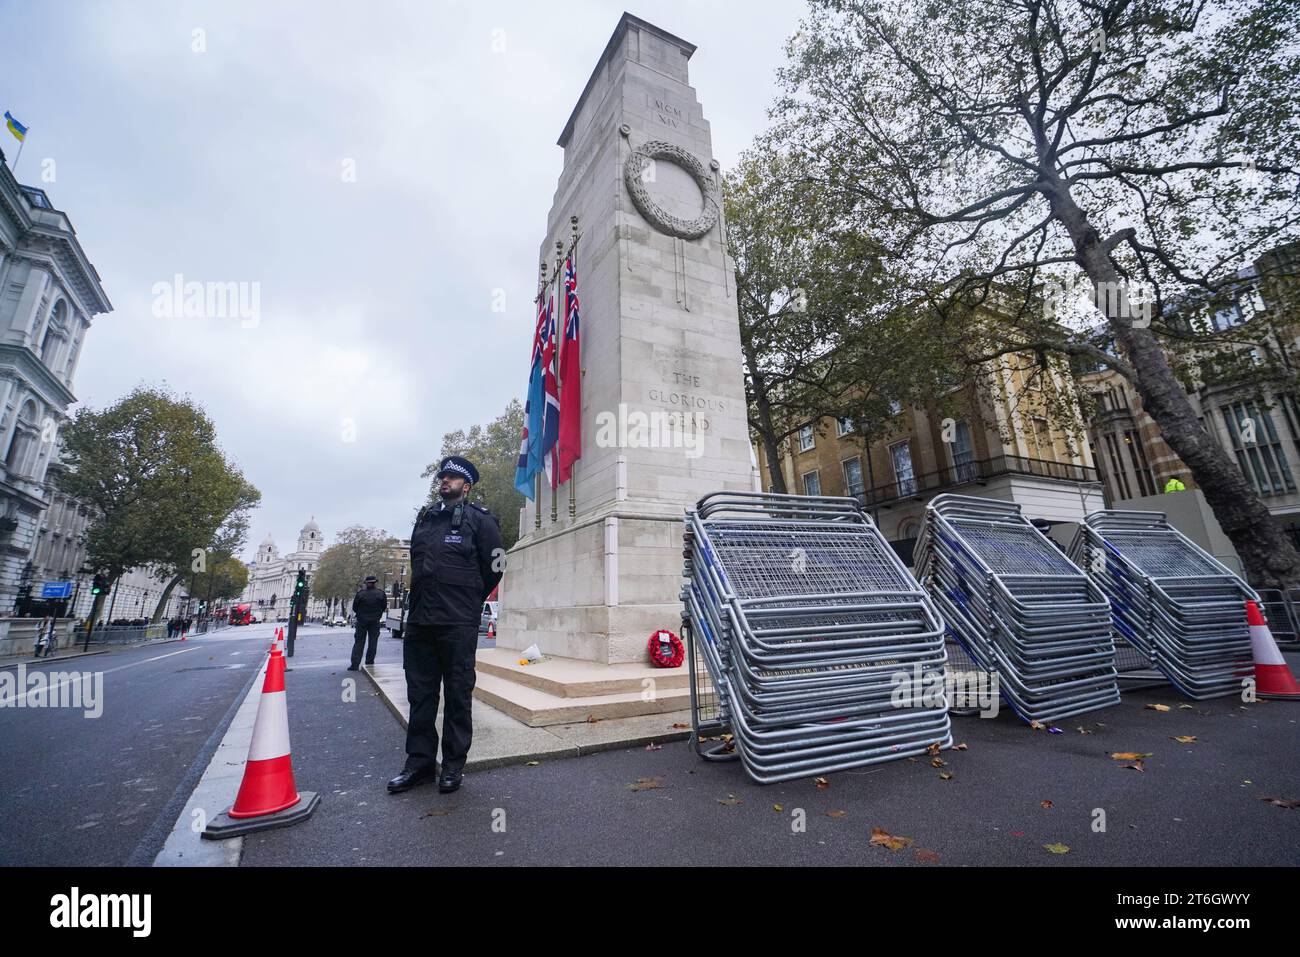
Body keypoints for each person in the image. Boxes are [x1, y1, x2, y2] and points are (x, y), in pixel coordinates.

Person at [388, 455, 503, 796]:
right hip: (422, 621)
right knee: (420, 695)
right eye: (442, 476)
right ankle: (419, 764)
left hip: (457, 621)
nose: (444, 481)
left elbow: (496, 564)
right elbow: (417, 563)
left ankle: (453, 764)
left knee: (456, 694)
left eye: (452, 478)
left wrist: (469, 598)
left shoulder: (480, 520)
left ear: (465, 487)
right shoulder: (425, 518)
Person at [348, 575, 386, 671]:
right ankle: (369, 663)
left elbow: (355, 607)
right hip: (375, 621)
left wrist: (361, 614)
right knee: (373, 642)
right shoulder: (381, 594)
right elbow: (384, 606)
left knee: (359, 642)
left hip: (362, 621)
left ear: (366, 583)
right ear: (375, 583)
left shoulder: (360, 594)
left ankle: (355, 664)